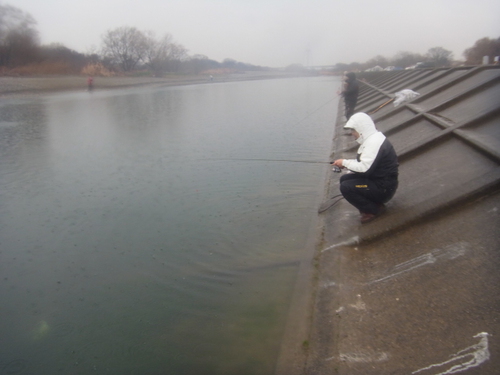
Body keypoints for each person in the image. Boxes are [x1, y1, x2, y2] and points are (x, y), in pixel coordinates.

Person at [332, 112, 398, 224]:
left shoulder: (374, 143)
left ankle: (373, 210)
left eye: (354, 130)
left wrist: (345, 162)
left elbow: (364, 168)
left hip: (383, 188)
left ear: (361, 128)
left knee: (346, 187)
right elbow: (365, 164)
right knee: (345, 179)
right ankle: (374, 204)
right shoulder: (373, 139)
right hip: (380, 182)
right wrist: (345, 163)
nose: (352, 133)